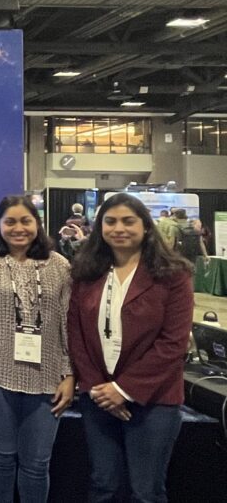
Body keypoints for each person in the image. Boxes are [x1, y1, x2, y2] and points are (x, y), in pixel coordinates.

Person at [67, 193, 193, 502]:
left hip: (155, 401)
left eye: (128, 221)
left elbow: (173, 344)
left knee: (146, 491)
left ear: (146, 227)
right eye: (110, 221)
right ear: (100, 228)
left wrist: (123, 390)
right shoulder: (86, 272)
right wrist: (98, 386)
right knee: (102, 485)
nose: (118, 228)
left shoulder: (173, 276)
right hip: (97, 397)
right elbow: (76, 334)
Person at [0, 195, 75, 503]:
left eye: (26, 221)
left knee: (37, 465)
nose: (18, 228)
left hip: (47, 378)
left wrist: (69, 375)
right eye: (10, 221)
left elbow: (68, 326)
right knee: (2, 457)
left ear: (37, 224)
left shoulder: (59, 266)